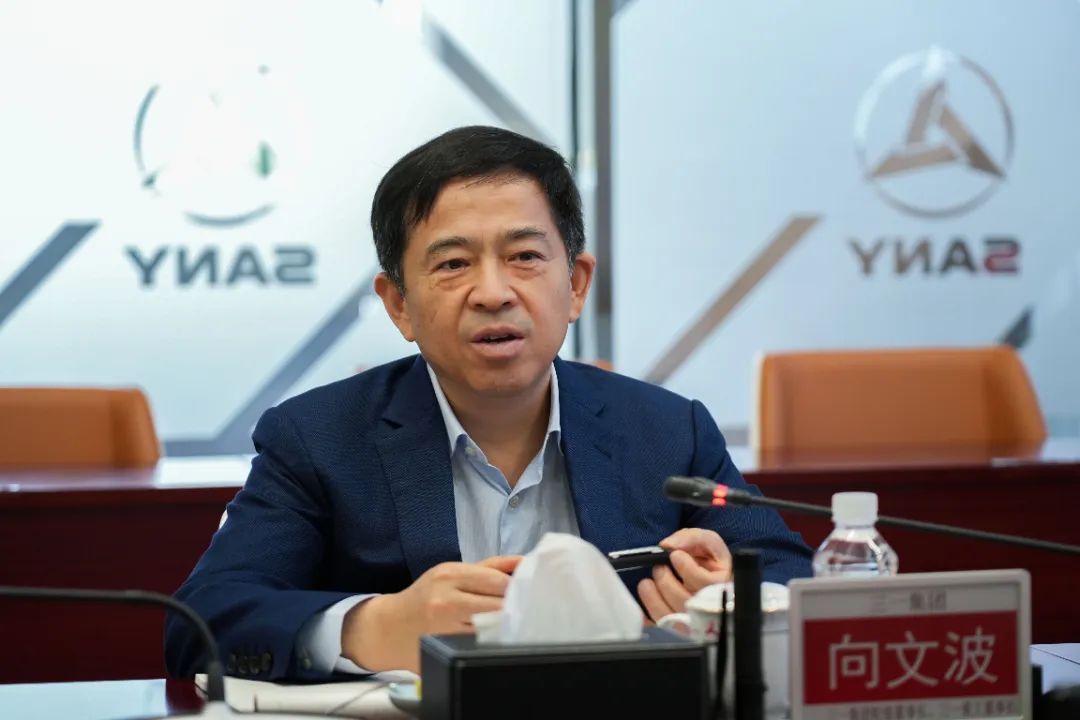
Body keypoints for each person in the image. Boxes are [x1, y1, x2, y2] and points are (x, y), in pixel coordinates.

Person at [164, 126, 811, 680]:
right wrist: (372, 625)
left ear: (576, 284)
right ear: (398, 304)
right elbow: (202, 619)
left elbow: (793, 578)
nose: (493, 292)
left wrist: (741, 602)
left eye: (524, 256)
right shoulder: (317, 438)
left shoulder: (667, 430)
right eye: (453, 264)